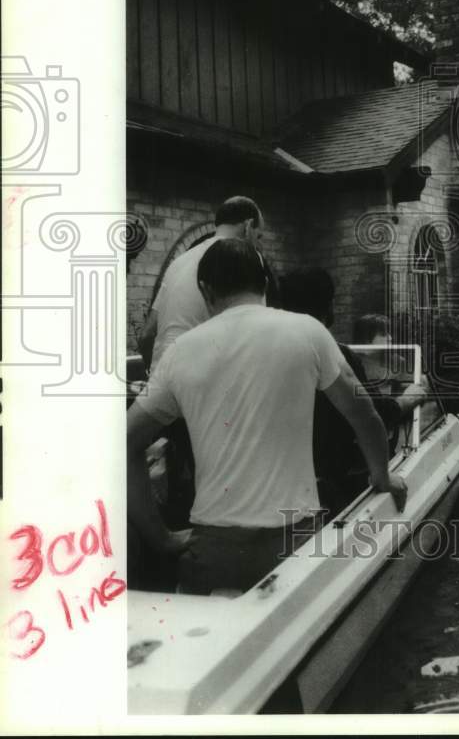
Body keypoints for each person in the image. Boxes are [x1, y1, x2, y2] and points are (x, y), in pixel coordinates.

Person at [127, 239, 407, 596]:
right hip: (295, 542)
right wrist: (382, 476)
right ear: (264, 282)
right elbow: (364, 414)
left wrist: (162, 537)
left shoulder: (180, 351)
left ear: (205, 290)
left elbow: (124, 443)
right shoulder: (307, 330)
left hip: (215, 550)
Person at [279, 270, 427, 516]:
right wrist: (410, 398)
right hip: (333, 482)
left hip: (286, 479)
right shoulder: (340, 356)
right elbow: (372, 415)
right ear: (329, 307)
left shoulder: (269, 355)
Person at [138, 195, 266, 374]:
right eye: (259, 236)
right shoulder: (248, 259)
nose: (260, 245)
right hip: (202, 386)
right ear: (247, 226)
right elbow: (253, 338)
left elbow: (146, 336)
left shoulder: (178, 263)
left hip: (162, 385)